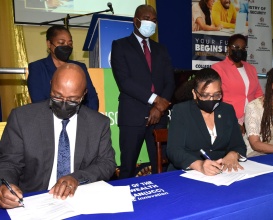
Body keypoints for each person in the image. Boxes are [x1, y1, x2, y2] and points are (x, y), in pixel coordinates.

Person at [0, 63, 116, 209]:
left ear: (84, 94)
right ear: (51, 85)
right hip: (32, 201)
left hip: (79, 198)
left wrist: (76, 178)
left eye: (73, 100)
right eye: (57, 96)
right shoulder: (22, 118)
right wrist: (5, 186)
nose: (63, 105)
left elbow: (107, 163)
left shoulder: (98, 124)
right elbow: (9, 163)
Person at [111, 5, 175, 178]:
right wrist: (155, 99)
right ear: (136, 21)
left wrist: (160, 107)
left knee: (160, 167)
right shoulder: (120, 46)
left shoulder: (161, 49)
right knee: (127, 168)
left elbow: (170, 81)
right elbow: (124, 82)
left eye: (154, 20)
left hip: (159, 117)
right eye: (147, 19)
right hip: (132, 116)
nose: (151, 23)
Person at [167, 68, 246, 175]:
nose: (211, 99)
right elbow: (174, 151)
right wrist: (199, 165)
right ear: (195, 94)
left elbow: (239, 145)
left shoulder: (227, 110)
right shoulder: (182, 111)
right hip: (188, 173)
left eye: (217, 94)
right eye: (205, 95)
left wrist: (234, 154)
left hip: (221, 173)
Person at [27, 25, 99, 111]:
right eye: (61, 43)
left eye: (70, 44)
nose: (66, 46)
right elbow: (38, 102)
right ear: (49, 44)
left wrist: (84, 119)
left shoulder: (80, 67)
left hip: (80, 118)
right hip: (49, 120)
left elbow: (92, 98)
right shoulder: (37, 68)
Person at [211, 34, 263, 133]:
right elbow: (216, 98)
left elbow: (258, 94)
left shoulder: (251, 68)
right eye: (236, 47)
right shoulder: (218, 68)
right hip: (229, 118)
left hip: (252, 118)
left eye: (243, 48)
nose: (240, 50)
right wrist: (235, 121)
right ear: (228, 48)